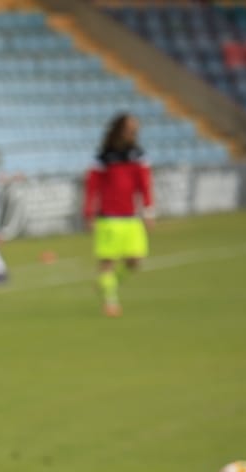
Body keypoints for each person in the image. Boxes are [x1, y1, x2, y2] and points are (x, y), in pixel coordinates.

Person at [83, 113, 153, 318]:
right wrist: (89, 214)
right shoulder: (103, 157)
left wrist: (148, 211)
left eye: (135, 129)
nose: (133, 133)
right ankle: (110, 301)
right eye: (130, 128)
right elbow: (92, 188)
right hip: (108, 218)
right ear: (119, 130)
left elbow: (145, 186)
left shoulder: (138, 155)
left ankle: (106, 284)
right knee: (107, 262)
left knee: (135, 261)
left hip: (131, 218)